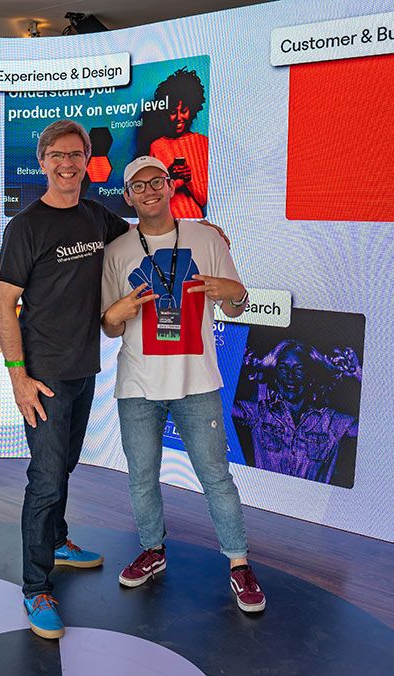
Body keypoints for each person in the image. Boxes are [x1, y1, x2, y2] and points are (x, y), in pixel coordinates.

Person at [100, 156, 266, 613]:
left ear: (171, 186)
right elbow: (110, 325)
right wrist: (115, 315)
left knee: (215, 476)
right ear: (127, 196)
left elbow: (235, 305)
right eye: (138, 186)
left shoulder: (206, 238)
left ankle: (239, 563)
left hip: (197, 381)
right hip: (138, 384)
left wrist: (235, 293)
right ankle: (152, 549)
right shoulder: (117, 251)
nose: (149, 191)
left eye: (156, 181)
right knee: (141, 477)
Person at [0, 120, 128, 640]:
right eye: (58, 155)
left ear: (87, 161)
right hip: (44, 376)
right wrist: (18, 378)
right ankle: (35, 587)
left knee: (64, 467)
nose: (67, 164)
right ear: (43, 162)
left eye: (76, 155)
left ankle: (57, 541)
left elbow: (146, 236)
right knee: (47, 479)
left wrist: (205, 234)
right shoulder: (25, 226)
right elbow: (5, 306)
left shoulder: (97, 217)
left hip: (83, 369)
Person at [232, 340, 360, 483]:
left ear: (311, 377)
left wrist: (358, 373)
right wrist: (234, 361)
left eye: (299, 369)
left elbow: (373, 431)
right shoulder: (259, 413)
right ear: (275, 376)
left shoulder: (331, 422)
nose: (290, 376)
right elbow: (219, 406)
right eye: (283, 368)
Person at [145, 68, 209, 219]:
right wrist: (168, 178)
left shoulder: (203, 143)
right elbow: (150, 198)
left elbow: (204, 200)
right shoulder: (156, 146)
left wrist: (189, 180)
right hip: (162, 224)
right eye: (173, 112)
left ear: (193, 109)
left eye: (184, 110)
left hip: (194, 223)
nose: (179, 117)